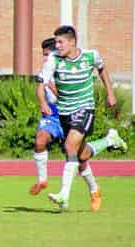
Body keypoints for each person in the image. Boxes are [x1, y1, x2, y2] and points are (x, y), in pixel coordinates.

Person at [31, 37, 127, 212]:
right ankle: (44, 181)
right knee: (44, 142)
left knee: (79, 157)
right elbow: (39, 86)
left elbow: (70, 92)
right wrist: (43, 100)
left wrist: (55, 89)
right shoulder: (49, 67)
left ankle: (89, 189)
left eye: (48, 54)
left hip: (73, 112)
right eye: (43, 55)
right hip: (54, 117)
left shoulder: (65, 65)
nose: (46, 58)